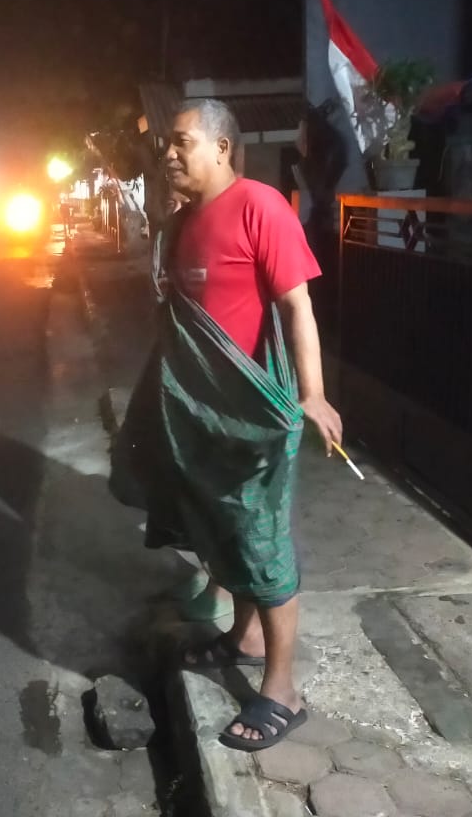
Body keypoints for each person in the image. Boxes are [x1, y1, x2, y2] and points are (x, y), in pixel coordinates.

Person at [113, 98, 342, 752]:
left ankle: (282, 691)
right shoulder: (183, 221)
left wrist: (313, 394)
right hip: (200, 418)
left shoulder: (259, 206)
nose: (168, 153)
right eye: (167, 143)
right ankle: (243, 639)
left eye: (181, 142)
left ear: (221, 147)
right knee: (223, 533)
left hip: (251, 417)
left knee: (262, 546)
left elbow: (298, 306)